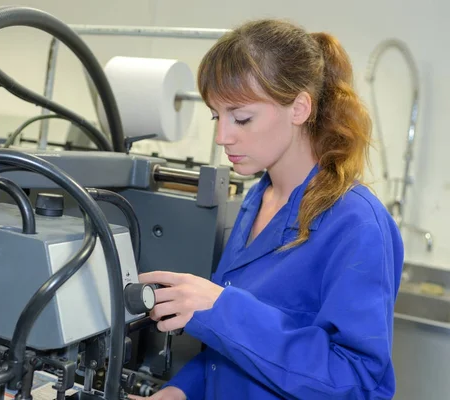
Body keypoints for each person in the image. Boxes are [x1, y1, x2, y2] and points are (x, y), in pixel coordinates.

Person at [128, 18, 404, 400]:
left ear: (299, 108)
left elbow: (356, 382)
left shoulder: (356, 224)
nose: (223, 136)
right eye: (216, 116)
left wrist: (221, 308)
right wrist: (181, 391)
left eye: (242, 118)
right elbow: (235, 354)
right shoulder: (256, 201)